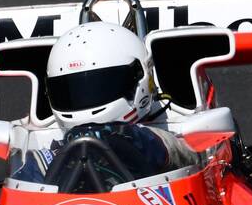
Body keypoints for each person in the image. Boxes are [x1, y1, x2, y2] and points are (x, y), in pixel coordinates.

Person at [10, 22, 197, 190]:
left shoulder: (156, 141)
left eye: (99, 87)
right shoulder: (46, 158)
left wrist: (125, 140)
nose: (85, 99)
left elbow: (189, 159)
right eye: (74, 91)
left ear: (140, 78)